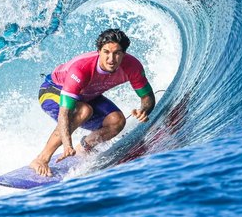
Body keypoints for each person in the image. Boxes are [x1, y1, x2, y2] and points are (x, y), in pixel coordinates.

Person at [30, 28, 156, 177]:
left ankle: (84, 149)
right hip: (52, 90)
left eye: (117, 53)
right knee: (84, 110)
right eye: (106, 52)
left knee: (117, 121)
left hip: (87, 96)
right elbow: (65, 112)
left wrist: (144, 111)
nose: (111, 59)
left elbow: (147, 97)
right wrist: (67, 144)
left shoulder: (132, 66)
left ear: (124, 53)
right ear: (99, 51)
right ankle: (41, 159)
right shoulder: (81, 68)